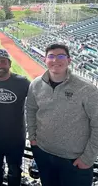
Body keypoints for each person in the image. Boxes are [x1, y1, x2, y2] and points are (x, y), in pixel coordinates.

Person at [26, 43, 98, 186]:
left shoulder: (87, 88)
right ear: (45, 59)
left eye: (61, 56)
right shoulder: (35, 85)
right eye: (51, 56)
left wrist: (88, 158)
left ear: (69, 60)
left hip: (74, 160)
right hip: (43, 153)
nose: (55, 60)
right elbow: (31, 112)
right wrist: (33, 139)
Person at [0, 49, 30, 186]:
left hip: (15, 139)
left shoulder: (22, 82)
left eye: (3, 62)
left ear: (9, 64)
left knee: (14, 172)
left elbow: (38, 103)